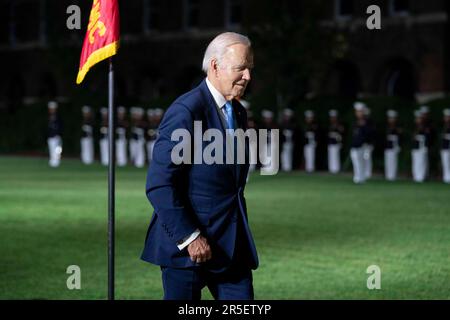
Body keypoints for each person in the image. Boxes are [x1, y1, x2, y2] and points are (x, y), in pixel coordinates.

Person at [141, 32, 258, 300]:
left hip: (231, 248)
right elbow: (159, 184)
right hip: (187, 253)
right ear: (215, 66)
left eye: (250, 69)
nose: (248, 77)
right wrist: (191, 237)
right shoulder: (186, 111)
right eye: (241, 68)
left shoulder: (237, 111)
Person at [350, 102, 369, 184]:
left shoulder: (367, 122)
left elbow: (369, 134)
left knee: (362, 162)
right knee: (356, 162)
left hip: (363, 145)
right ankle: (357, 177)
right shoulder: (355, 122)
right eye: (357, 111)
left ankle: (361, 178)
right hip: (355, 145)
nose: (358, 113)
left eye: (360, 111)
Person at [411, 109, 430, 182]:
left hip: (422, 145)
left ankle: (421, 177)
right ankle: (416, 176)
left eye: (419, 118)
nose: (417, 120)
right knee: (415, 161)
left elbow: (427, 135)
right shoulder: (415, 126)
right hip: (416, 146)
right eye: (417, 118)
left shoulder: (425, 126)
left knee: (421, 162)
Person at [384, 110, 401, 181]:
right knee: (388, 162)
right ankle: (388, 176)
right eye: (390, 118)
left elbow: (399, 137)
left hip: (394, 146)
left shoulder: (397, 127)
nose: (391, 120)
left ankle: (392, 176)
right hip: (387, 147)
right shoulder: (387, 126)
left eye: (392, 118)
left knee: (393, 162)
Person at [327, 109, 344, 174]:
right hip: (330, 142)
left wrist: (340, 141)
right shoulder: (330, 125)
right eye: (331, 117)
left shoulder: (339, 124)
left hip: (336, 142)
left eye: (333, 117)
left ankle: (336, 169)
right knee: (331, 156)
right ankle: (331, 169)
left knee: (336, 156)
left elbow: (341, 134)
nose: (332, 118)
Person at [47, 101, 63, 167]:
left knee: (57, 150)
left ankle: (56, 162)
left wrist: (59, 134)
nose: (51, 110)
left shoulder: (58, 117)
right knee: (51, 149)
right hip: (50, 136)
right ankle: (52, 161)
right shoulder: (49, 117)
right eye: (50, 108)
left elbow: (60, 126)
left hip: (56, 136)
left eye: (52, 108)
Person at [440, 109, 450, 183]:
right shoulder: (444, 125)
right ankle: (446, 178)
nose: (446, 118)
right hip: (445, 146)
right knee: (445, 163)